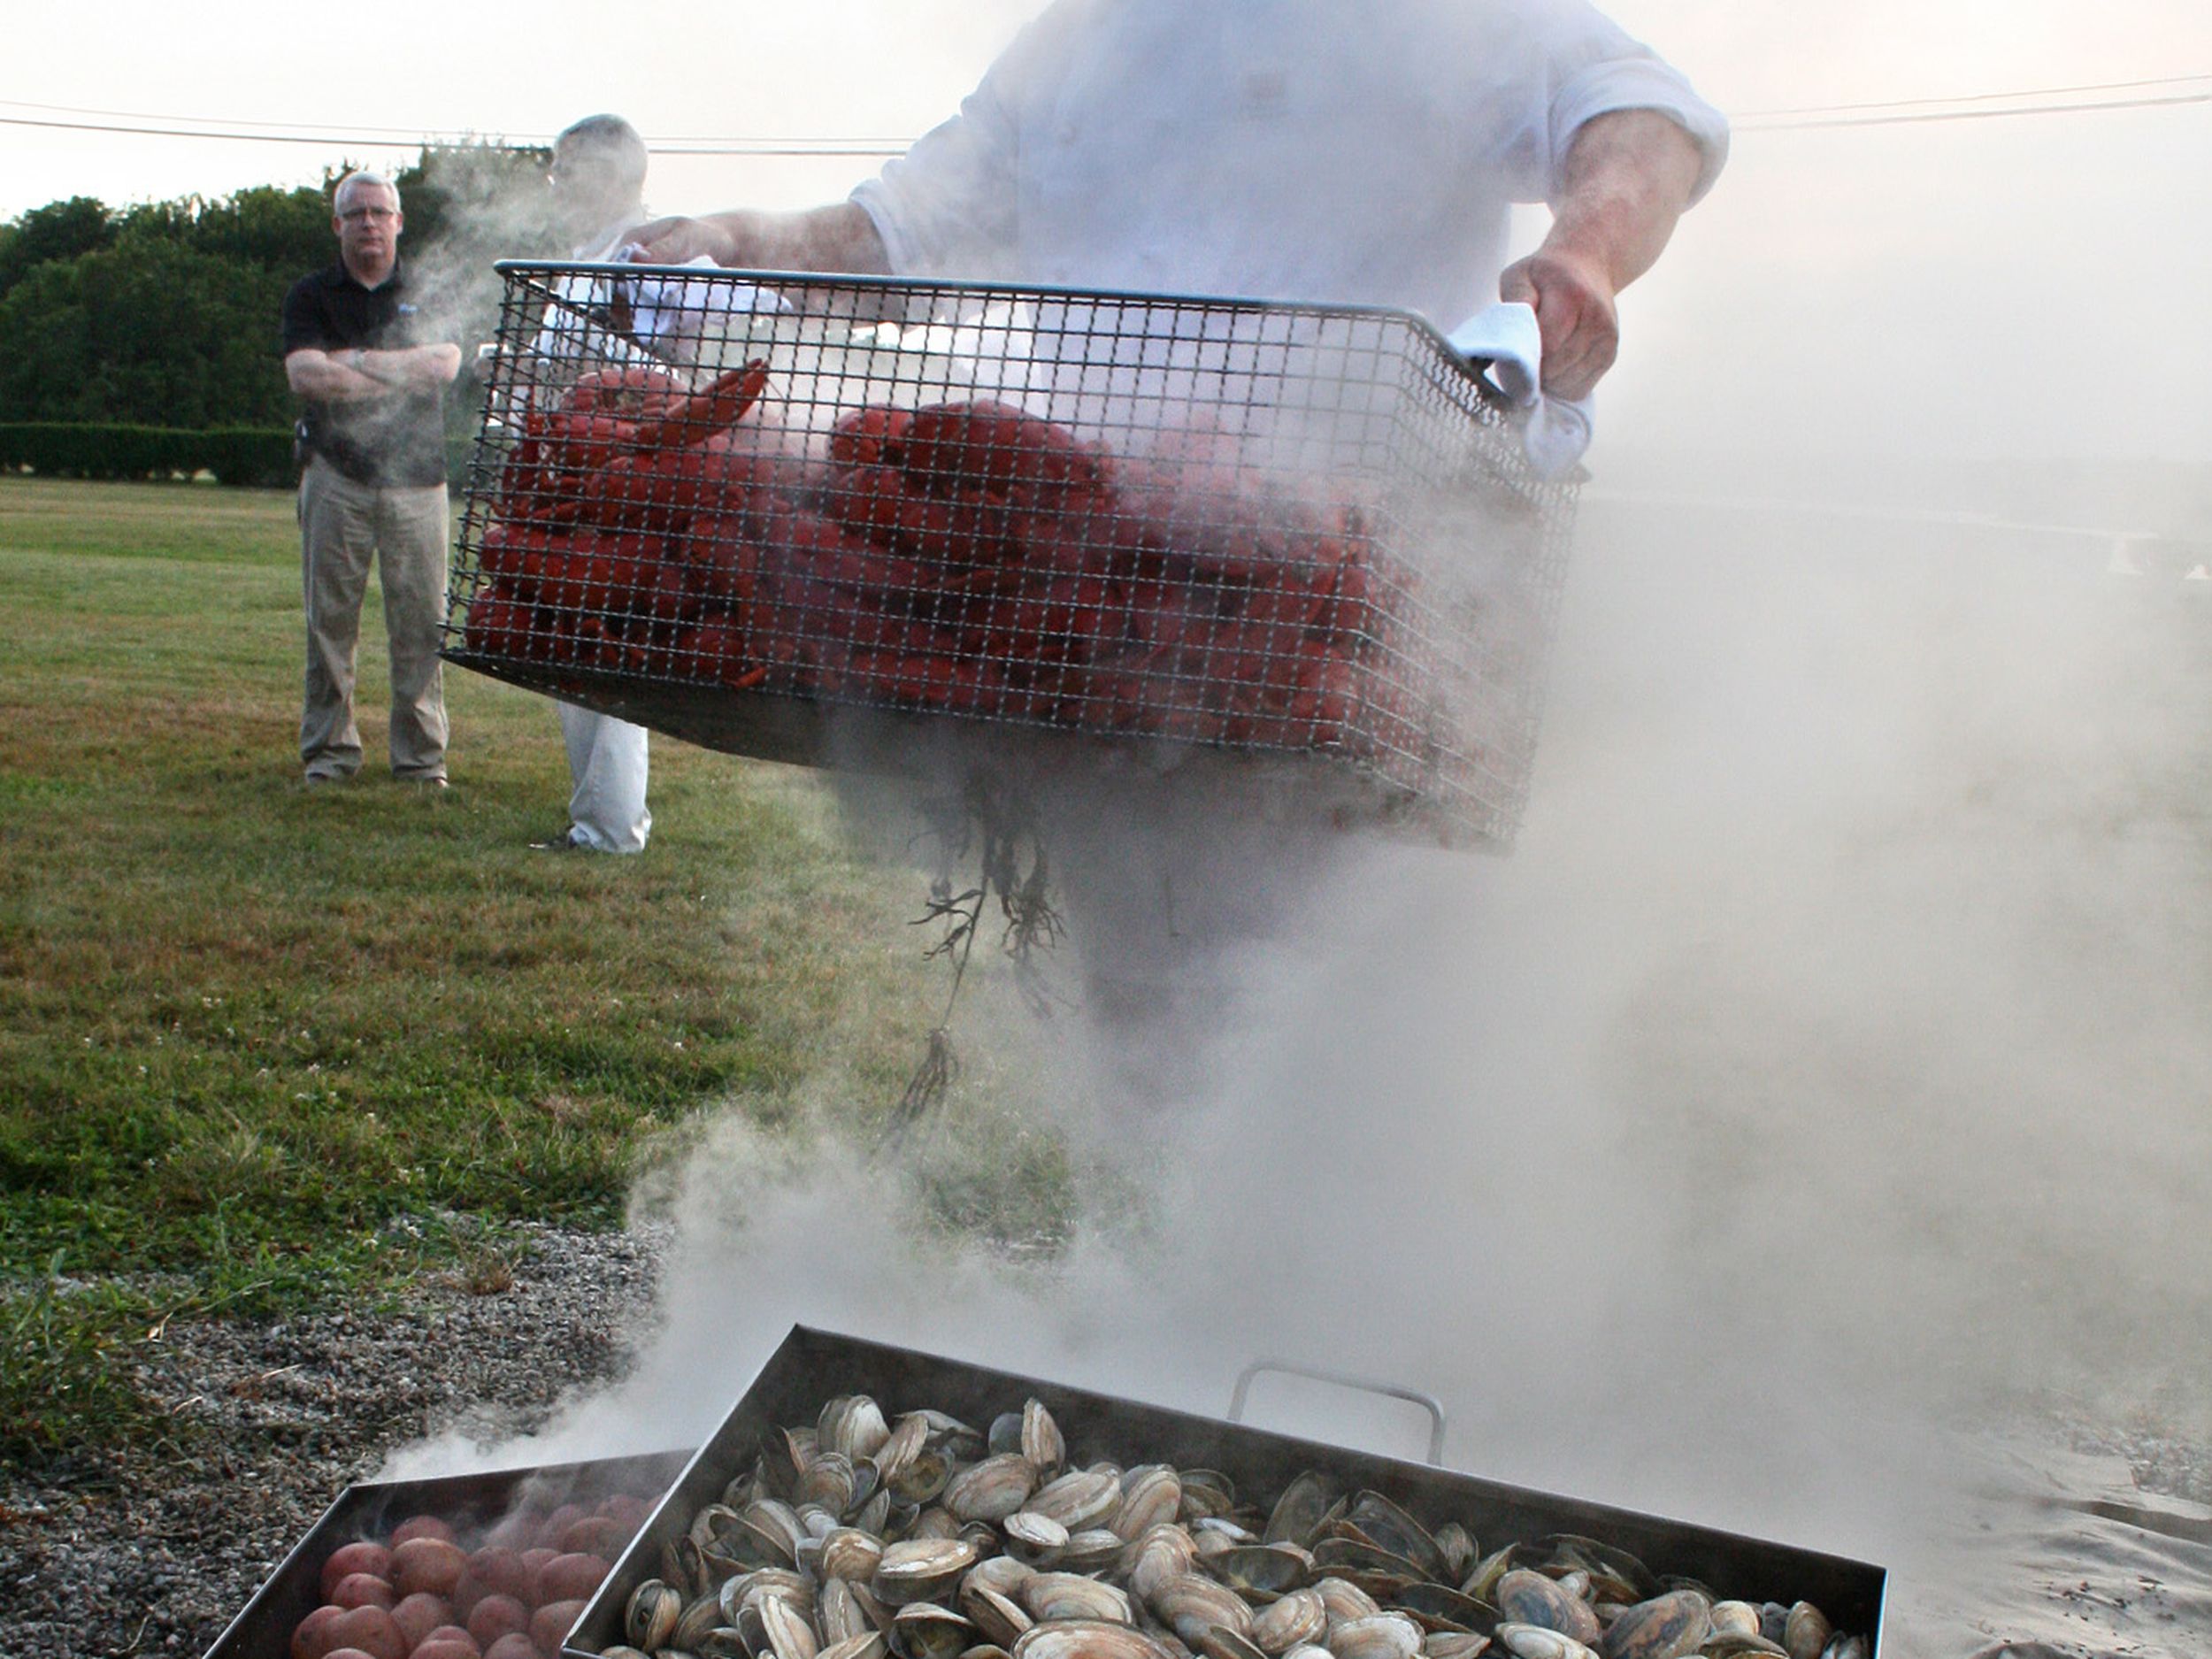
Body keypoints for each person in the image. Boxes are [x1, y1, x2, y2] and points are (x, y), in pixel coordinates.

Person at [281, 170, 463, 788]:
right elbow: (306, 376)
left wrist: (351, 360)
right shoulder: (311, 295)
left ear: (399, 222)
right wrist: (395, 371)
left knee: (421, 626)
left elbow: (441, 364)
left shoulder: (427, 289)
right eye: (355, 213)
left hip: (419, 483)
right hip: (336, 478)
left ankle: (420, 760)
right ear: (337, 225)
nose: (368, 223)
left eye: (379, 212)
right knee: (330, 625)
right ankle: (330, 754)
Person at [525, 114, 658, 853]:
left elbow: (674, 364)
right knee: (572, 651)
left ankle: (609, 828)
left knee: (607, 650)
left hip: (624, 485)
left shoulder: (649, 255)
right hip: (575, 480)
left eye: (565, 170)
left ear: (611, 176)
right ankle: (595, 816)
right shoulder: (585, 257)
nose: (556, 185)